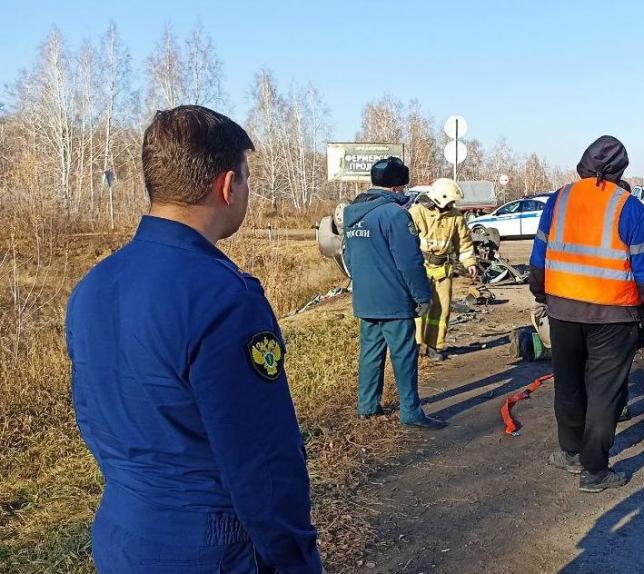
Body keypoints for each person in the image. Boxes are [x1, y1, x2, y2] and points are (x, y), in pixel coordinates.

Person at [66, 105, 322, 573]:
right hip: (210, 547)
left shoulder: (94, 285)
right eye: (246, 180)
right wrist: (294, 557)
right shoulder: (226, 298)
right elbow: (262, 459)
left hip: (122, 533)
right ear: (226, 185)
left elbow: (95, 417)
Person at [529, 135, 644, 493]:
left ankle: (571, 452)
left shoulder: (559, 199)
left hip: (563, 310)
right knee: (605, 392)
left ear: (583, 163)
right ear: (621, 168)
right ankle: (594, 471)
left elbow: (538, 256)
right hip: (614, 314)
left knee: (569, 383)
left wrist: (541, 294)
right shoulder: (629, 206)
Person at [343, 157, 447, 430]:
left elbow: (349, 258)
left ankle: (367, 405)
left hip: (365, 299)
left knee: (370, 353)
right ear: (398, 186)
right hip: (393, 300)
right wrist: (423, 296)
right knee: (403, 355)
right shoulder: (395, 215)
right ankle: (411, 411)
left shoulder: (354, 213)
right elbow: (410, 263)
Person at [407, 178, 479, 361]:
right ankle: (415, 345)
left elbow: (463, 243)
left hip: (443, 270)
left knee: (442, 310)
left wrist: (469, 262)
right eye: (450, 201)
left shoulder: (455, 217)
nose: (452, 205)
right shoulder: (416, 213)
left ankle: (435, 346)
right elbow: (405, 241)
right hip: (420, 268)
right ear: (440, 197)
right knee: (418, 309)